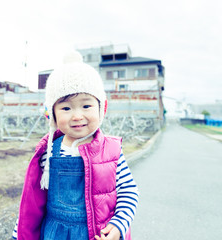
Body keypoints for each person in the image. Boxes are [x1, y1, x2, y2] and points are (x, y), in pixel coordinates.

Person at [12, 50, 139, 240]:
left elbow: (128, 191)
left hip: (95, 233)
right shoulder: (49, 152)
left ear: (101, 108)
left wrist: (118, 225)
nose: (77, 115)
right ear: (52, 114)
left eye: (86, 106)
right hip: (55, 233)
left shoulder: (111, 152)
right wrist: (18, 234)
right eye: (66, 108)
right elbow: (32, 201)